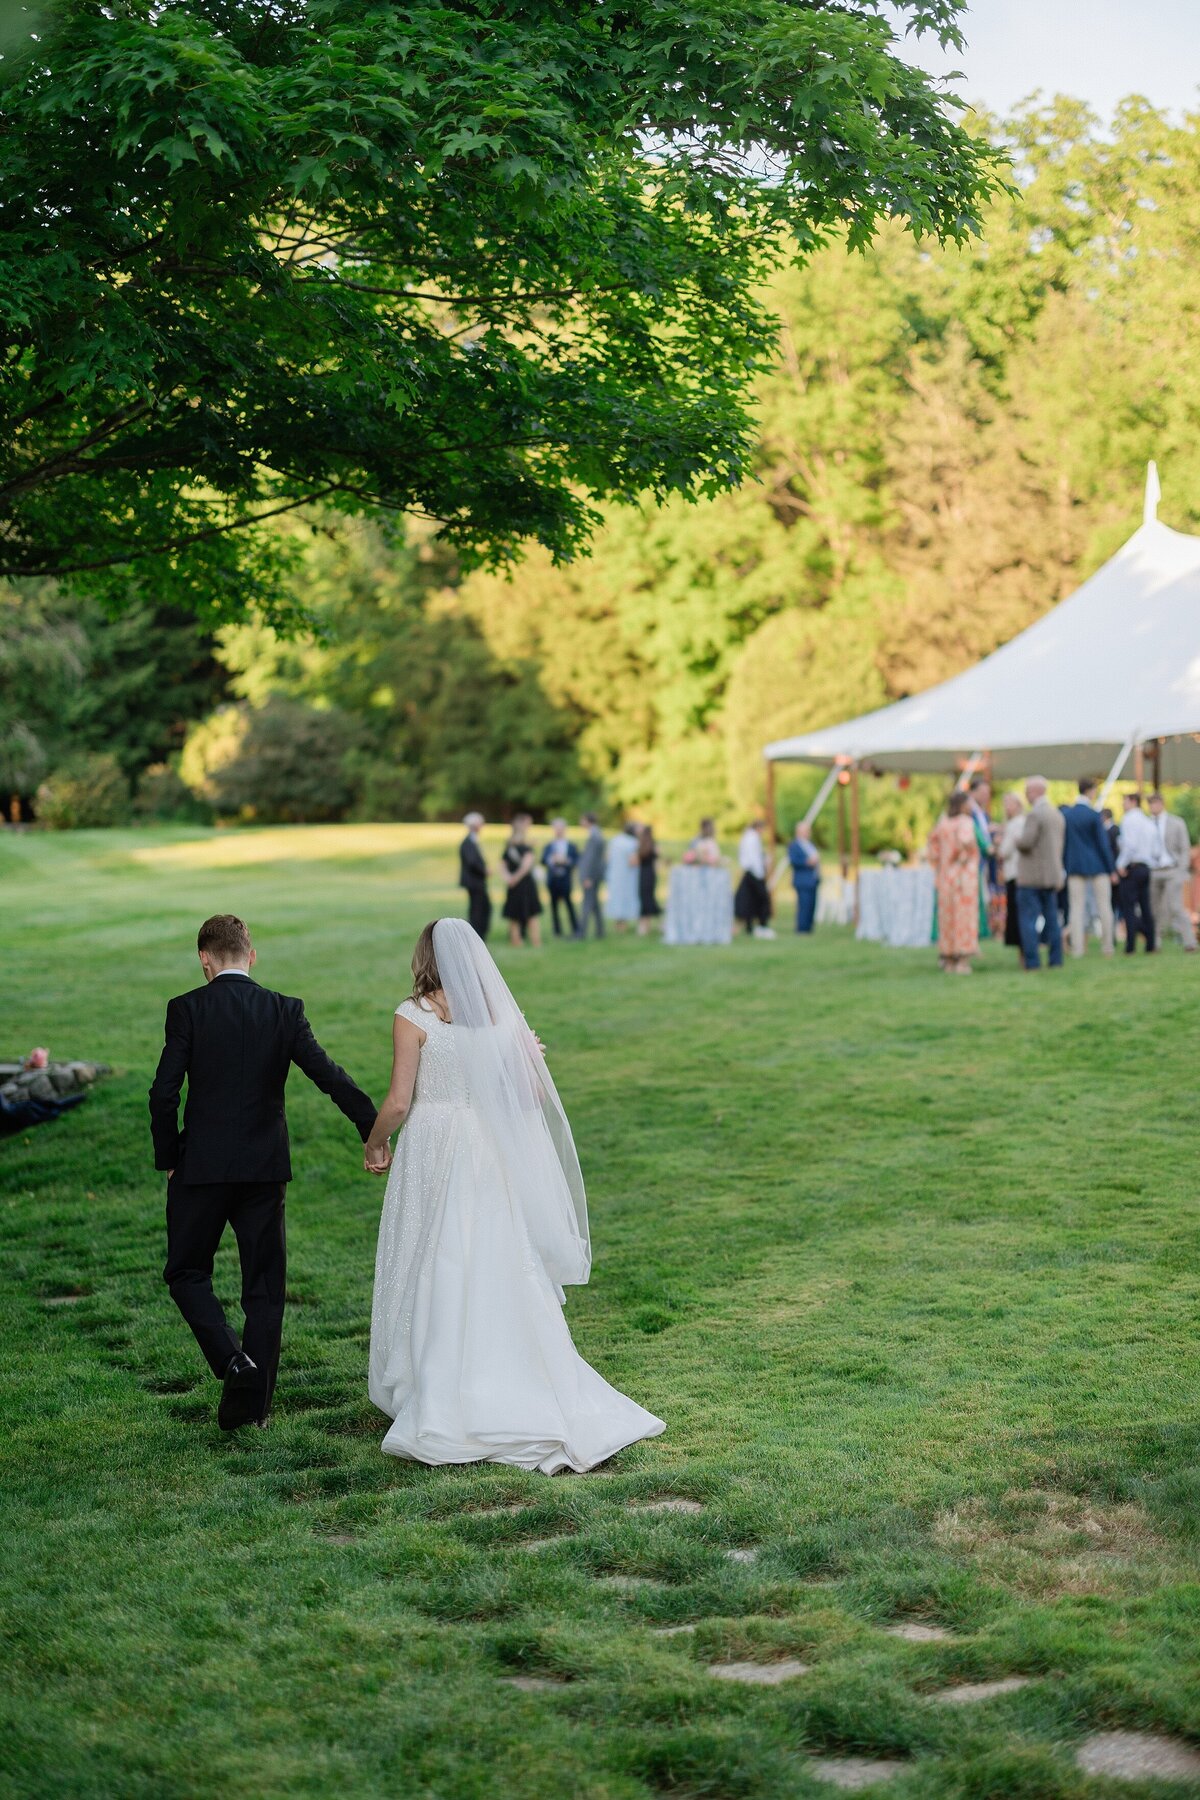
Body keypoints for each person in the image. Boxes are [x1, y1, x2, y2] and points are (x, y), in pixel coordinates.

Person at [364, 918, 665, 1472]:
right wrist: (526, 1056)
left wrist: (376, 1141)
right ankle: (514, 1372)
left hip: (433, 1146)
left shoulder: (413, 1017)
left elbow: (400, 1102)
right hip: (487, 1149)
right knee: (493, 1255)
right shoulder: (502, 1017)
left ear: (423, 957)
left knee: (434, 1252)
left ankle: (438, 1385)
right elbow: (527, 1101)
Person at [148, 914, 375, 1431]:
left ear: (204, 959)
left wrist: (169, 1158)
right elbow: (329, 1076)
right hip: (263, 1169)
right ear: (252, 956)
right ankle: (256, 1411)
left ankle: (232, 1361)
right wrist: (372, 1128)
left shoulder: (186, 1008)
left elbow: (163, 1093)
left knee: (186, 1273)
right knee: (265, 1289)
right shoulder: (283, 1010)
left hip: (200, 1167)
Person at [1060, 777, 1116, 957]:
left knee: (1076, 908)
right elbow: (1103, 844)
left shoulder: (1067, 815)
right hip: (1097, 865)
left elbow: (1064, 843)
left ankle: (1077, 949)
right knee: (1104, 906)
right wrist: (1111, 868)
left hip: (1075, 866)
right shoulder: (1093, 815)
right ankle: (1108, 946)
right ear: (1090, 790)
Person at [1015, 777, 1066, 970]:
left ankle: (1032, 962)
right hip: (1051, 875)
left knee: (1028, 920)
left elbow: (1027, 842)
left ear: (1036, 791)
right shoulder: (1056, 814)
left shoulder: (1035, 814)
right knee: (1052, 920)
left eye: (1028, 791)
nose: (1026, 795)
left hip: (1032, 877)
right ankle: (1056, 960)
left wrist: (1014, 840)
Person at [926, 792, 981, 973]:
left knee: (947, 918)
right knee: (963, 917)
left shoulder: (942, 824)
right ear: (963, 805)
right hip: (962, 878)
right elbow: (966, 841)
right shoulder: (965, 822)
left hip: (945, 878)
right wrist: (965, 857)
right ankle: (962, 961)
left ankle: (948, 959)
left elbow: (932, 850)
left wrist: (942, 863)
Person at [1147, 791, 1197, 952]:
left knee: (1176, 907)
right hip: (1154, 870)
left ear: (1162, 804)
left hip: (1172, 869)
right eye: (1150, 804)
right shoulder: (1146, 824)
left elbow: (1185, 848)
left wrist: (1181, 869)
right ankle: (1155, 942)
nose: (1153, 807)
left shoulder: (1176, 823)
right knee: (1154, 909)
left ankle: (1190, 942)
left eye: (1155, 803)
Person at [1116, 791, 1157, 955]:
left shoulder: (1129, 819)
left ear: (1132, 801)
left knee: (1129, 907)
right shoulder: (1148, 821)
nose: (1123, 805)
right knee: (1146, 907)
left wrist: (1121, 864)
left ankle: (1130, 945)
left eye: (1124, 801)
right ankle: (1151, 944)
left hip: (1132, 867)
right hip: (1146, 867)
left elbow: (1130, 845)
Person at [501, 813, 542, 947]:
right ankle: (534, 941)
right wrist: (514, 878)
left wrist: (510, 878)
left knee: (515, 916)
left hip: (515, 884)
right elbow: (526, 866)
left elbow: (503, 865)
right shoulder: (526, 848)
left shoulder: (509, 848)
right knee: (531, 914)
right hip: (524, 884)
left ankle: (517, 941)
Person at [997, 791, 1026, 961]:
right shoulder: (1015, 823)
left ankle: (1023, 953)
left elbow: (1005, 851)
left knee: (1017, 914)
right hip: (1015, 872)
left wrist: (996, 847)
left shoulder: (1016, 824)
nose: (1006, 807)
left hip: (1015, 873)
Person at [734, 819, 774, 938]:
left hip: (751, 871)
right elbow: (753, 858)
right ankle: (762, 924)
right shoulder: (752, 838)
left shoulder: (747, 837)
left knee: (750, 899)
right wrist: (761, 871)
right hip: (754, 872)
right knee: (762, 898)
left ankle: (750, 925)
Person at [967, 774, 996, 938]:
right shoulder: (969, 812)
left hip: (983, 862)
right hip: (973, 862)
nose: (987, 796)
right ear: (973, 792)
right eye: (984, 792)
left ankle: (981, 929)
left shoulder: (982, 813)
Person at [541, 819, 580, 938]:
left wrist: (566, 861)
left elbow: (576, 860)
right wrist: (551, 860)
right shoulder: (549, 846)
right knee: (554, 907)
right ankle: (557, 931)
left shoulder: (571, 846)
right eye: (556, 828)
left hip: (565, 879)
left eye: (560, 828)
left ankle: (575, 929)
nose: (558, 831)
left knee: (569, 905)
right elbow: (543, 860)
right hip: (553, 880)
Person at [459, 812, 490, 941]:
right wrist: (484, 870)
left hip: (476, 881)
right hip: (474, 882)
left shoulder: (472, 840)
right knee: (478, 909)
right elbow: (472, 862)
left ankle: (478, 933)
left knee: (482, 907)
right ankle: (477, 934)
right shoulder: (468, 842)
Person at [606, 818, 641, 931]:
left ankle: (618, 923)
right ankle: (623, 925)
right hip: (627, 876)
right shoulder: (632, 843)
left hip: (614, 874)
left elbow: (607, 857)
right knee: (626, 898)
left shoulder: (615, 840)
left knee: (616, 898)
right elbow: (633, 862)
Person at [575, 813, 606, 938]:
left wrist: (588, 877)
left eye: (582, 820)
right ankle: (600, 931)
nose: (581, 823)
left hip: (591, 876)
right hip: (593, 875)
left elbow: (593, 859)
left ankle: (581, 933)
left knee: (587, 904)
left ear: (588, 821)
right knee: (594, 904)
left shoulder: (595, 836)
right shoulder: (596, 834)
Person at [787, 820, 821, 933]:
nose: (808, 833)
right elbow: (794, 861)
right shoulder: (794, 845)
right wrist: (807, 862)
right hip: (802, 879)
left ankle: (809, 927)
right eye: (806, 831)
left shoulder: (810, 844)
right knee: (804, 905)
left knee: (811, 904)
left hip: (813, 879)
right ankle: (802, 928)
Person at [636, 824, 661, 935]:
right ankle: (648, 924)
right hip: (650, 874)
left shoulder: (640, 845)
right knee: (649, 898)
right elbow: (657, 861)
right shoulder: (653, 845)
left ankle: (644, 926)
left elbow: (635, 861)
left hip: (642, 874)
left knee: (644, 899)